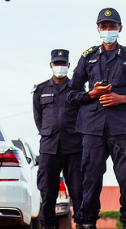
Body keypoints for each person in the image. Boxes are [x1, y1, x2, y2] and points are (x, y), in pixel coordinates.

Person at [68, 8, 126, 229]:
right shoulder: (87, 57)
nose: (108, 30)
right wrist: (92, 94)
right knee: (90, 181)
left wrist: (123, 99)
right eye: (104, 27)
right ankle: (86, 223)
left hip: (123, 130)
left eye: (112, 26)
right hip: (92, 130)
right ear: (98, 29)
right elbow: (71, 94)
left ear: (120, 28)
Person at [33, 49, 84, 229]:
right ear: (51, 65)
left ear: (68, 66)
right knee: (47, 191)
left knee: (78, 191)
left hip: (74, 148)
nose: (60, 67)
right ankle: (47, 225)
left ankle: (82, 223)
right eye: (57, 64)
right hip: (49, 148)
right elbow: (38, 119)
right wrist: (49, 133)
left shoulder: (77, 90)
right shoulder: (40, 90)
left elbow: (83, 116)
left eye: (63, 64)